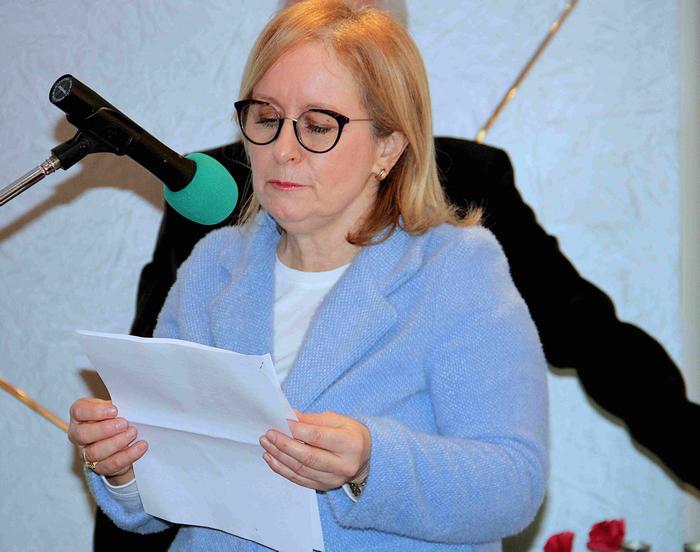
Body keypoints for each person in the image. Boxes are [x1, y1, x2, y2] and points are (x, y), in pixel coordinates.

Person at [69, 1, 549, 550]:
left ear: (388, 147)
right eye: (266, 119)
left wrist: (371, 462)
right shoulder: (212, 265)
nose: (282, 150)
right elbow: (163, 494)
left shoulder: (454, 269)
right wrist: (123, 466)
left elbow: (514, 483)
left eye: (318, 126)